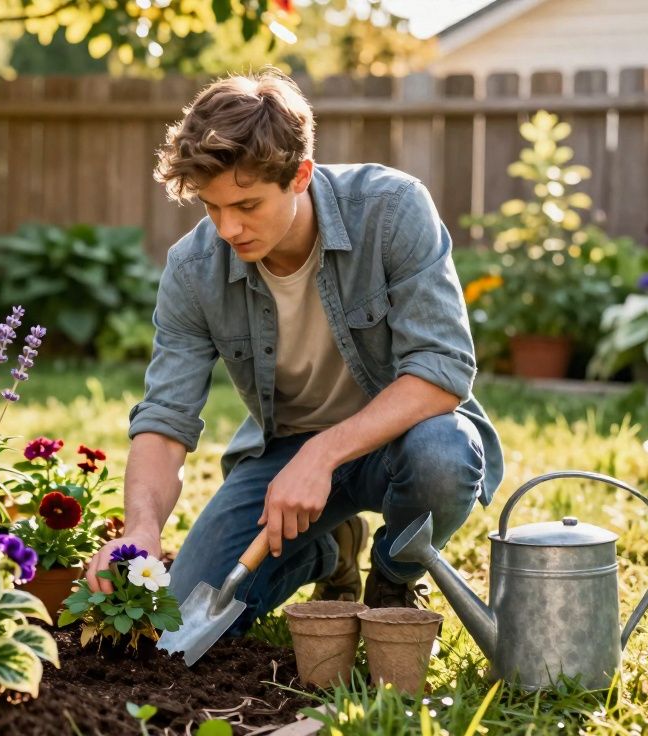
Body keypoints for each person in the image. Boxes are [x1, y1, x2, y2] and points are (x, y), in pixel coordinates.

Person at [84, 69, 503, 630]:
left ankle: (395, 574)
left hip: (399, 441)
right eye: (212, 207)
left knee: (443, 454)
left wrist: (324, 454)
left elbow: (442, 372)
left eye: (248, 205)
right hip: (283, 457)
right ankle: (327, 549)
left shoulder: (392, 209)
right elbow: (165, 419)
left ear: (300, 175)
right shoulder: (193, 269)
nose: (229, 228)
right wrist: (140, 530)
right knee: (185, 618)